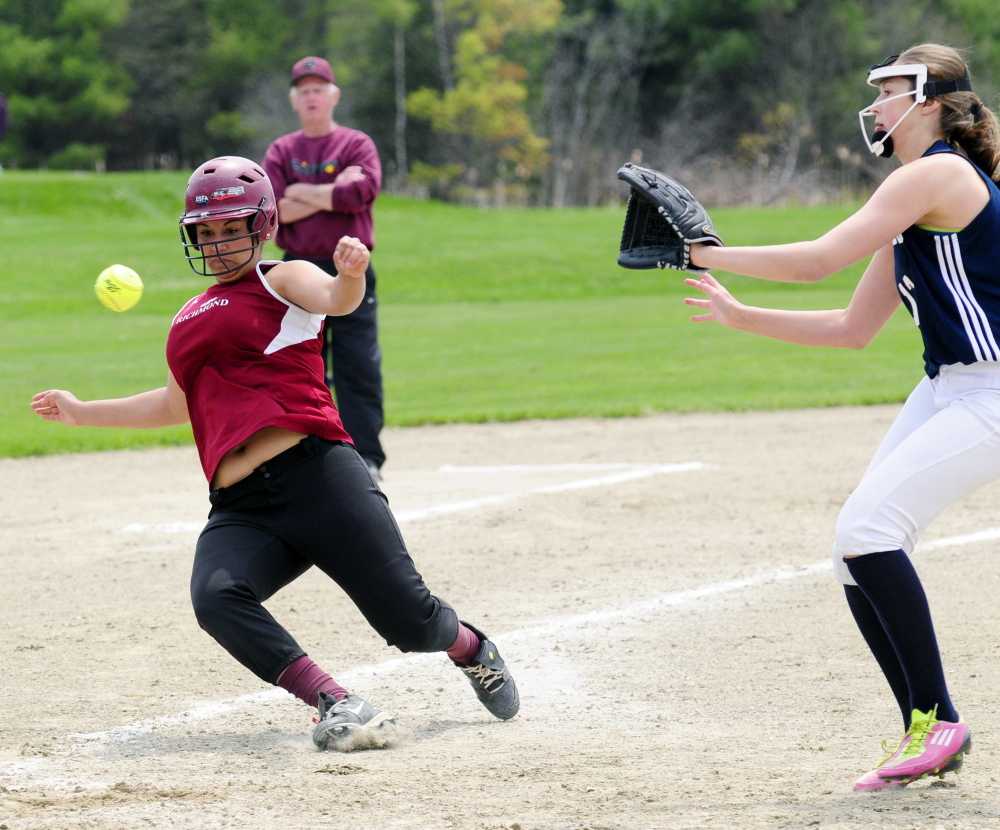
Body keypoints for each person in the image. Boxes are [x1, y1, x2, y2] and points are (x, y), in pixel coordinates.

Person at [30, 156, 519, 750]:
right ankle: (333, 699)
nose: (215, 242)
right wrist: (82, 410)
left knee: (411, 624)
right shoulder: (186, 318)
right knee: (215, 597)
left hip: (320, 477)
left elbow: (335, 300)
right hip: (242, 505)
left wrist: (351, 275)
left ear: (262, 226)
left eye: (230, 227)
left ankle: (472, 648)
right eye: (204, 232)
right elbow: (172, 404)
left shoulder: (281, 279)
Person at [683, 43, 999, 791]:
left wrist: (706, 255)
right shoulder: (914, 194)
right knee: (852, 550)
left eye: (888, 92)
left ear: (927, 101)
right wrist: (736, 315)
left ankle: (940, 719)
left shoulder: (940, 173)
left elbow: (816, 259)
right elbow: (852, 326)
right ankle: (927, 726)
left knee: (869, 532)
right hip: (951, 387)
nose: (876, 107)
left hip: (992, 389)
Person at [262, 56, 386, 478]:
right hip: (295, 269)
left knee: (357, 362)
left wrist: (302, 192)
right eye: (304, 91)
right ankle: (307, 454)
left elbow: (361, 193)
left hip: (349, 265)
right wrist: (332, 190)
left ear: (334, 96)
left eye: (319, 89)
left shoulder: (355, 144)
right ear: (294, 101)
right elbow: (275, 210)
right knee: (298, 362)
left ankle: (366, 457)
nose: (312, 96)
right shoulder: (282, 150)